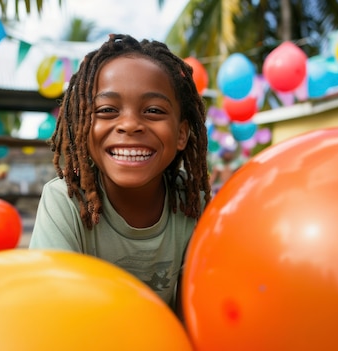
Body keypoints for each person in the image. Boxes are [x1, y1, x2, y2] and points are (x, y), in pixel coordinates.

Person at [29, 34, 212, 314]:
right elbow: (51, 308)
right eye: (107, 110)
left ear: (182, 134)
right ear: (82, 127)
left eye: (153, 110)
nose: (129, 125)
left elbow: (199, 311)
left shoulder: (192, 204)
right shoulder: (65, 200)